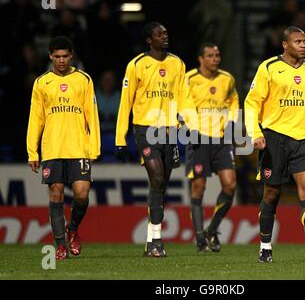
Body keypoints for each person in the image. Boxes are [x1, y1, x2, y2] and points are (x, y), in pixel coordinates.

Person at [244, 26, 305, 264]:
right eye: (298, 41)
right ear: (285, 45)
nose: (303, 45)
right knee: (271, 194)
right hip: (274, 139)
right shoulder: (269, 68)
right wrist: (255, 133)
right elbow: (251, 103)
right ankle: (265, 246)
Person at [115, 22, 186, 257]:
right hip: (145, 129)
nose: (164, 36)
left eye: (166, 33)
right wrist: (120, 138)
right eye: (159, 34)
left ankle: (150, 239)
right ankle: (157, 240)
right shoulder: (136, 65)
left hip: (170, 131)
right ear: (149, 40)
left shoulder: (177, 64)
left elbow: (183, 97)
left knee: (161, 185)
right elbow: (126, 102)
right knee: (156, 178)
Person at [26, 36, 100, 260]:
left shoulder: (84, 80)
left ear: (71, 56)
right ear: (50, 57)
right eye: (56, 56)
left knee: (82, 194)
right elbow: (35, 118)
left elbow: (92, 115)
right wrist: (32, 151)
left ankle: (73, 229)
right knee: (56, 193)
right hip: (52, 148)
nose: (61, 60)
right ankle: (60, 245)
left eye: (65, 56)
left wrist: (94, 147)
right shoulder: (41, 82)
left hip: (78, 147)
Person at [185, 43, 239, 252]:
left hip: (222, 139)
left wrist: (233, 122)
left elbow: (234, 100)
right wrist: (189, 127)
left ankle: (212, 230)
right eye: (210, 56)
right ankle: (199, 238)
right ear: (200, 58)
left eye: (217, 55)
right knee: (199, 188)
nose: (215, 59)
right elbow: (182, 105)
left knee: (230, 185)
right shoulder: (189, 79)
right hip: (199, 140)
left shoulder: (227, 79)